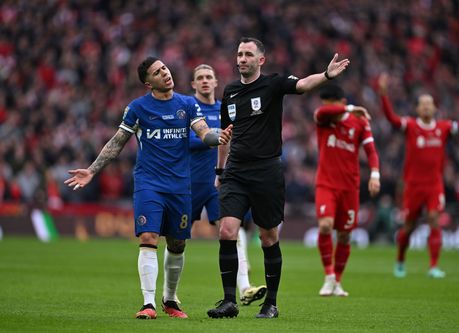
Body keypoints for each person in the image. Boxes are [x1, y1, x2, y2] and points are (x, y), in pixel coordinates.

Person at [64, 56, 232, 319]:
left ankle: (170, 299)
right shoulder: (138, 108)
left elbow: (203, 133)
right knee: (148, 237)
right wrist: (92, 169)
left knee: (177, 245)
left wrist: (216, 136)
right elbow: (117, 142)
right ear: (147, 83)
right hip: (149, 184)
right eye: (157, 72)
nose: (165, 73)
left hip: (180, 185)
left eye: (164, 68)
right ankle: (148, 303)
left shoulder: (187, 104)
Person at [207, 37, 350, 319]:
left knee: (268, 236)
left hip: (266, 171)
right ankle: (228, 301)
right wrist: (220, 170)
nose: (242, 59)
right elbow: (225, 136)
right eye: (239, 54)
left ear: (261, 60)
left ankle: (270, 303)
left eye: (248, 54)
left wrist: (325, 75)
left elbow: (302, 85)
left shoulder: (273, 84)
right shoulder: (231, 91)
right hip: (235, 171)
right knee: (226, 231)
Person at [377, 73, 459, 278]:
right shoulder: (411, 126)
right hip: (412, 185)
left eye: (430, 103)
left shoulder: (443, 127)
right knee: (409, 227)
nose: (427, 107)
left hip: (434, 185)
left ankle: (433, 266)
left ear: (435, 108)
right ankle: (401, 260)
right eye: (423, 104)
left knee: (434, 219)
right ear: (417, 109)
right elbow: (392, 119)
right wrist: (384, 95)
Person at [189, 64, 266, 305]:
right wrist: (214, 137)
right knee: (176, 238)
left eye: (208, 77)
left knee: (231, 228)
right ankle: (170, 295)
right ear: (193, 84)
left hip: (219, 181)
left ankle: (245, 288)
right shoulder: (188, 109)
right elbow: (187, 142)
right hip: (189, 182)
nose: (204, 81)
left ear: (215, 82)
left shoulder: (226, 108)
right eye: (199, 78)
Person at [314, 83, 380, 297]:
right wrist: (350, 108)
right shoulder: (324, 119)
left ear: (340, 101)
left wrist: (375, 174)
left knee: (344, 236)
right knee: (325, 226)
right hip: (326, 183)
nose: (326, 107)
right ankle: (328, 276)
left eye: (330, 103)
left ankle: (338, 282)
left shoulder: (359, 123)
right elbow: (322, 112)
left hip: (350, 187)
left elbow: (370, 150)